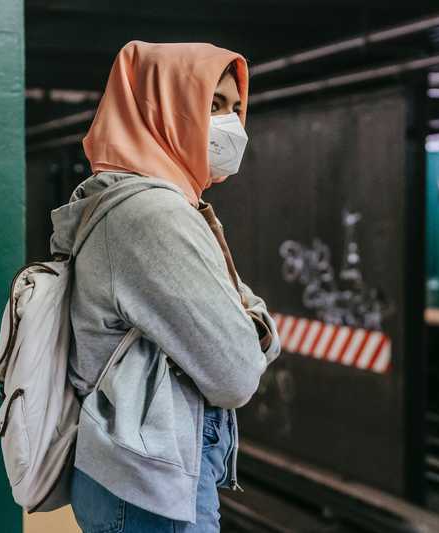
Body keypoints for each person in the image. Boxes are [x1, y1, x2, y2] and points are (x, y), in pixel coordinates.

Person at [47, 41, 282, 532]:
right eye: (213, 105)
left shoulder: (136, 202)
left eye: (237, 108)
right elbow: (236, 372)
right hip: (148, 491)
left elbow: (238, 317)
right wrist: (252, 325)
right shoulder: (152, 215)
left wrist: (242, 320)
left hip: (131, 477)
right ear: (167, 108)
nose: (232, 125)